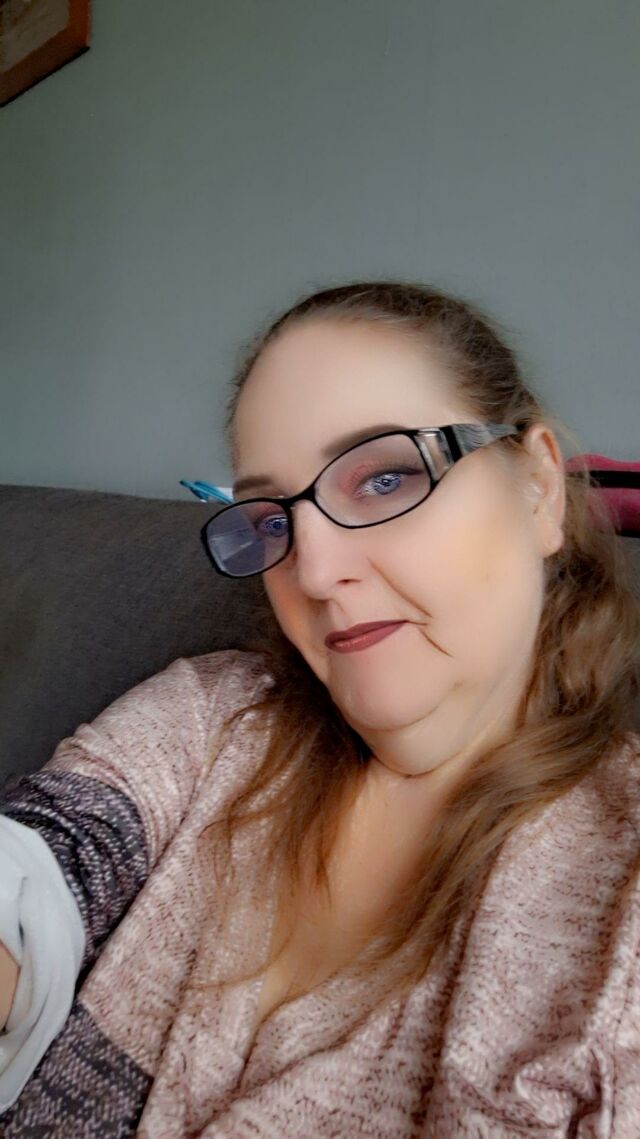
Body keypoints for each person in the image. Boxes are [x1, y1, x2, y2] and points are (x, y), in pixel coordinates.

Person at [1, 279, 639, 1136]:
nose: (312, 569)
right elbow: (44, 856)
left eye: (385, 477)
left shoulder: (619, 898)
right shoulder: (211, 715)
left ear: (538, 487)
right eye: (272, 520)